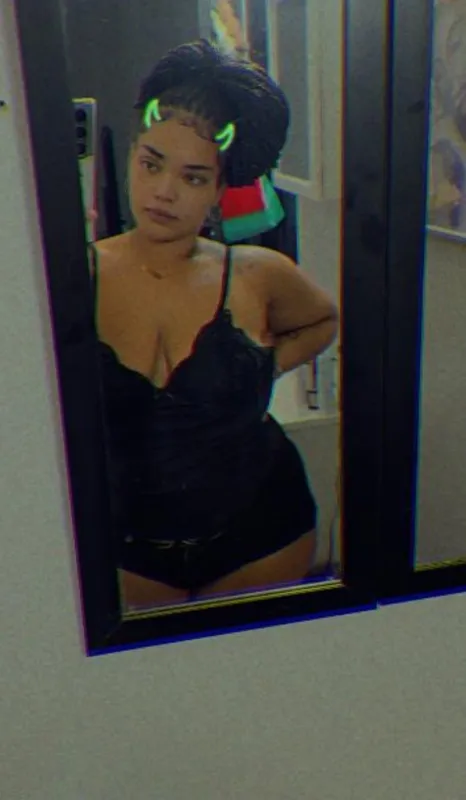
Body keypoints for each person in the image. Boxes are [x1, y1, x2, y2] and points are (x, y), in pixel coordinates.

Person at [89, 40, 338, 609]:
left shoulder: (257, 274)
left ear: (221, 191)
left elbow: (323, 319)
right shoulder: (76, 276)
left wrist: (263, 369)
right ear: (131, 155)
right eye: (151, 163)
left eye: (194, 177)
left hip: (264, 535)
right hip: (126, 549)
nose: (164, 191)